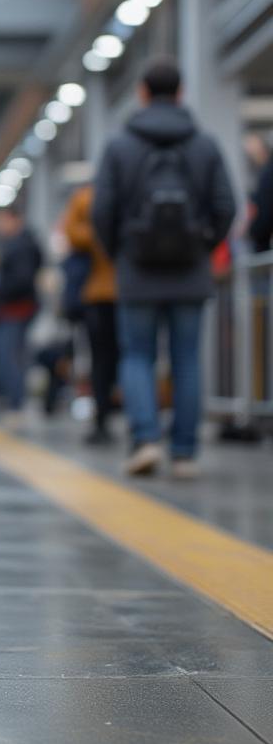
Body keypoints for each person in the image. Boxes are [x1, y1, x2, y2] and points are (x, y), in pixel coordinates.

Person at [93, 58, 236, 479]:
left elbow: (103, 210)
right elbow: (226, 207)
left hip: (136, 269)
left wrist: (120, 250)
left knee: (137, 355)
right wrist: (203, 245)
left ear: (141, 93)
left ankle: (145, 439)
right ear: (181, 93)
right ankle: (186, 452)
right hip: (191, 269)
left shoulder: (119, 146)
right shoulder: (205, 145)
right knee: (186, 358)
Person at [63, 185, 119, 444]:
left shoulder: (85, 197)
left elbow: (71, 233)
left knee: (101, 359)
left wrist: (97, 235)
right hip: (131, 289)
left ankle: (103, 421)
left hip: (98, 291)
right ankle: (143, 424)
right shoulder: (128, 193)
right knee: (137, 356)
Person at [0, 207, 43, 422]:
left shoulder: (19, 246)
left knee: (9, 356)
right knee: (13, 355)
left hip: (15, 308)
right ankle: (14, 402)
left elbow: (21, 279)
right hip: (20, 307)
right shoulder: (27, 243)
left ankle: (16, 404)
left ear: (13, 219)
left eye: (1, 221)